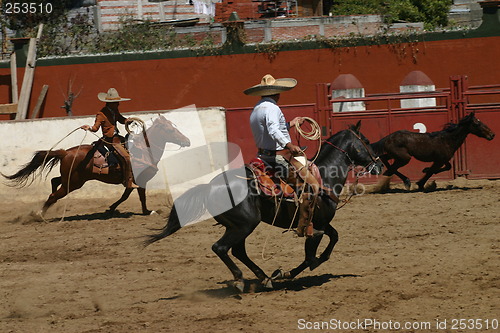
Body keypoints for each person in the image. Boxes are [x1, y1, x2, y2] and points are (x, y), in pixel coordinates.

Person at [244, 74, 321, 238]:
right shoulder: (272, 108)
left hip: (262, 156)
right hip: (278, 157)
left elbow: (273, 128)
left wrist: (292, 123)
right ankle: (304, 227)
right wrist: (290, 145)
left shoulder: (257, 108)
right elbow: (273, 130)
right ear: (277, 93)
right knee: (311, 185)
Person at [80, 88, 137, 189]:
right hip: (109, 140)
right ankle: (128, 181)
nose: (118, 103)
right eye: (116, 102)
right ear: (110, 103)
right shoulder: (101, 114)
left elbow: (120, 119)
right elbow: (95, 128)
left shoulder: (114, 110)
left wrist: (127, 120)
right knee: (127, 157)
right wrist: (89, 128)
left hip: (117, 137)